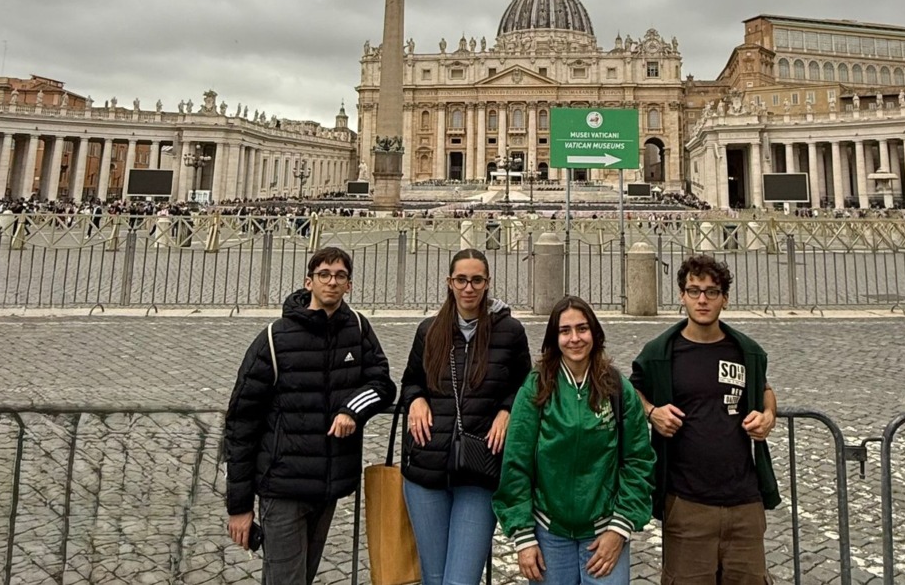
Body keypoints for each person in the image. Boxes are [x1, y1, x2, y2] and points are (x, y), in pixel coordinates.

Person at [223, 246, 395, 584]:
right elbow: (241, 423)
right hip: (282, 486)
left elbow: (383, 384)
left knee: (303, 576)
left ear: (349, 285)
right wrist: (239, 507)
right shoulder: (274, 338)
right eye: (324, 275)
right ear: (308, 282)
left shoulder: (358, 330)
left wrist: (352, 410)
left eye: (340, 276)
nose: (332, 282)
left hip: (328, 485)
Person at [630, 254, 780, 585]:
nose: (702, 299)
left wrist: (768, 414)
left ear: (724, 298)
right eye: (694, 290)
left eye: (711, 292)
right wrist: (652, 412)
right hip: (687, 503)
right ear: (681, 296)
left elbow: (765, 388)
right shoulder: (660, 352)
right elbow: (631, 393)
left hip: (745, 501)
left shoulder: (746, 350)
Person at [494, 296, 655, 584]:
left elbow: (638, 460)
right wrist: (523, 536)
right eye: (565, 331)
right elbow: (516, 461)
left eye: (582, 329)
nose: (574, 338)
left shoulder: (618, 388)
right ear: (554, 338)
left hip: (605, 533)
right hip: (549, 535)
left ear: (594, 333)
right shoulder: (536, 386)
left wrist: (619, 529)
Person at [400, 248, 531, 585]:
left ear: (487, 284)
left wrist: (507, 410)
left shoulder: (510, 331)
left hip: (480, 466)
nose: (469, 287)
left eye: (476, 280)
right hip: (427, 464)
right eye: (462, 280)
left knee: (460, 580)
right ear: (449, 282)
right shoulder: (429, 330)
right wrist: (415, 400)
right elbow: (411, 380)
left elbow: (526, 386)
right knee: (434, 576)